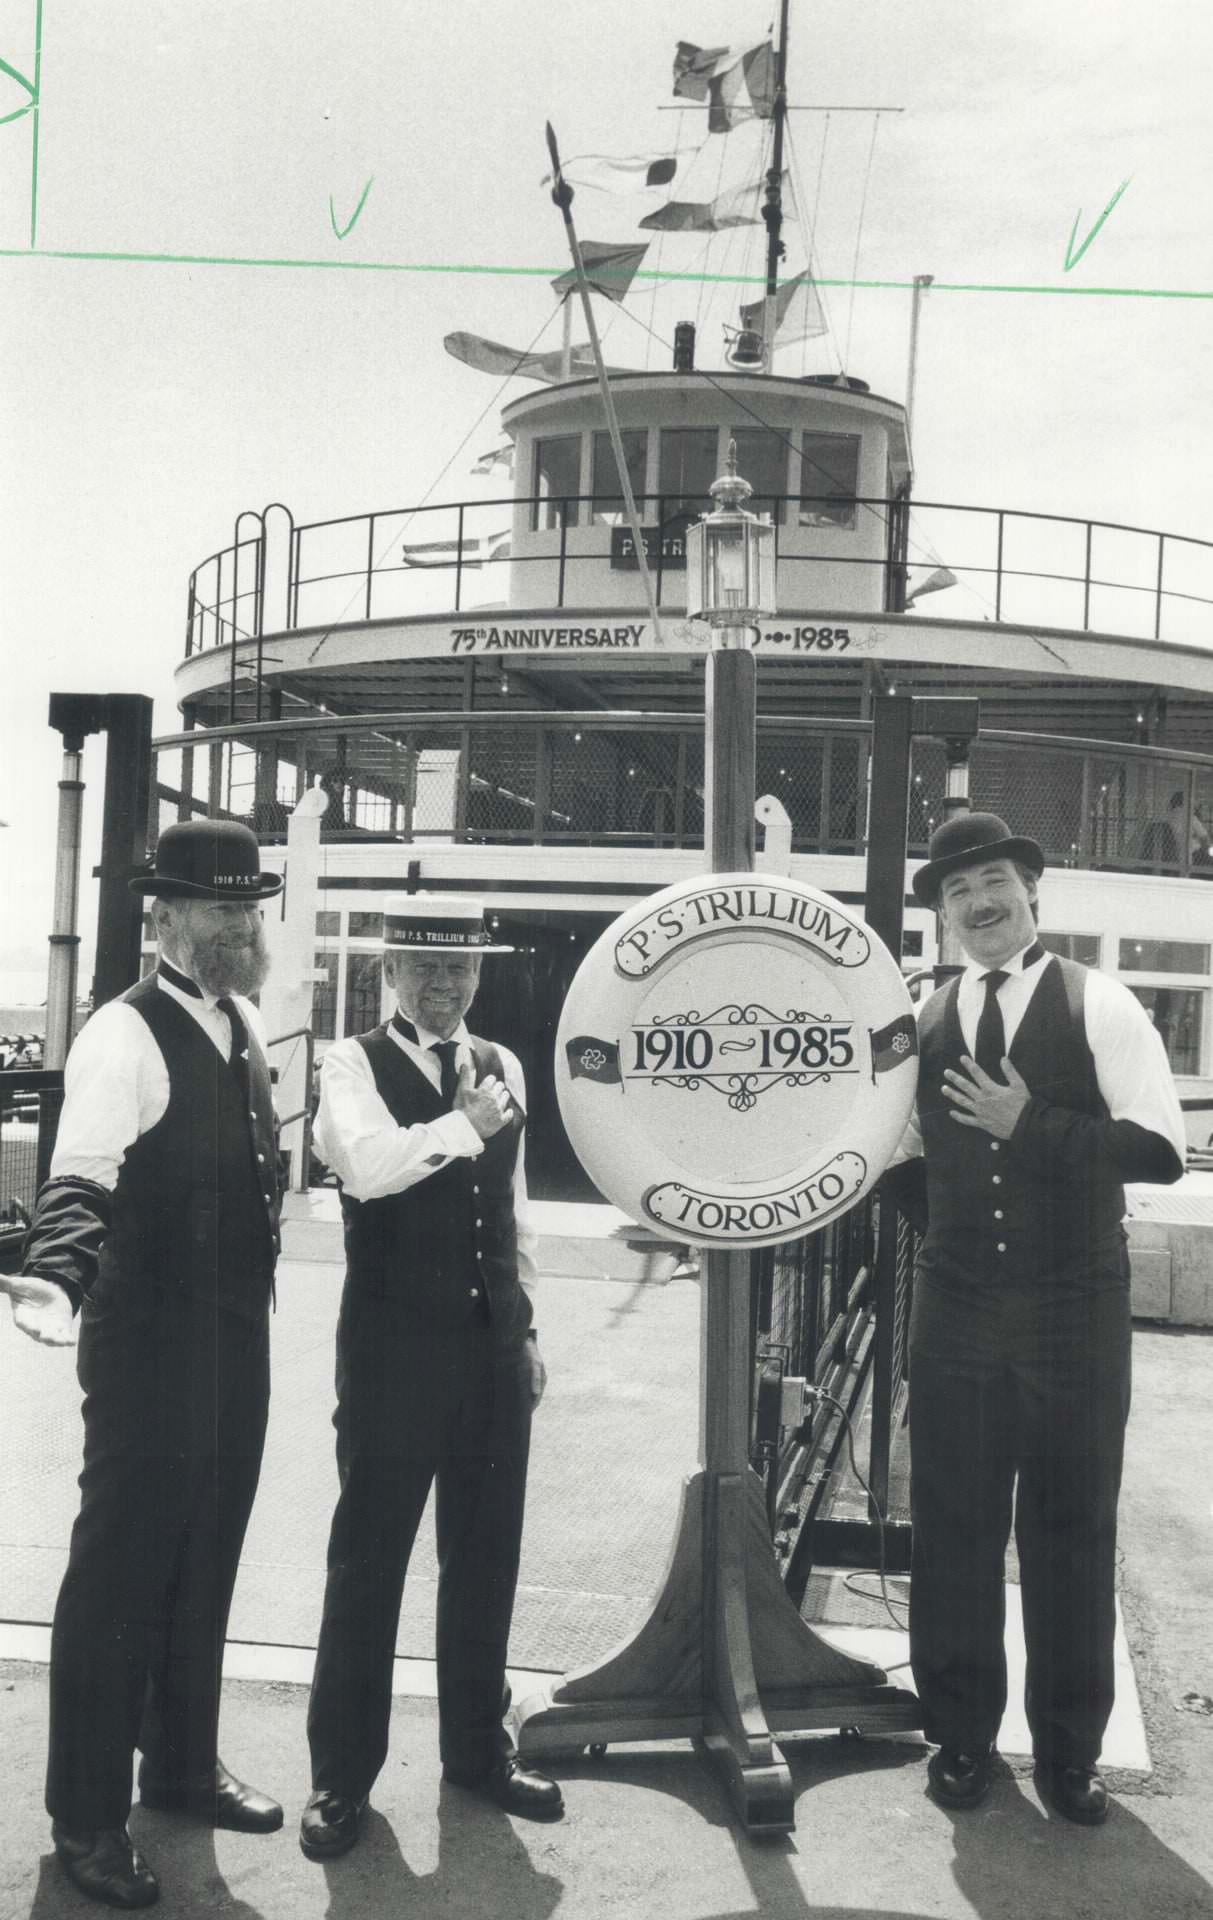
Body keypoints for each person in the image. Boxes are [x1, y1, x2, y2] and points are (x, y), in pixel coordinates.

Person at [2, 820, 286, 1909]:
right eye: (220, 909)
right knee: (120, 1581)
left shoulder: (243, 1022)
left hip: (234, 1347)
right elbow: (81, 1179)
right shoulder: (121, 1037)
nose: (238, 926)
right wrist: (58, 1277)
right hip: (152, 1352)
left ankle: (177, 1764)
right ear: (159, 917)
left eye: (247, 909)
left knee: (205, 1562)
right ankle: (85, 1818)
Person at [886, 812, 1185, 1826]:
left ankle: (1068, 1756)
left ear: (1031, 892)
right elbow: (897, 1161)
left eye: (996, 883)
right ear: (941, 912)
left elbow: (1159, 1151)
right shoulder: (920, 1019)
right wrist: (954, 1238)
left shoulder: (1098, 1000)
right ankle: (961, 1740)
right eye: (958, 890)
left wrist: (1033, 1126)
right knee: (954, 1532)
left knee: (1069, 1533)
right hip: (958, 1309)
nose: (979, 904)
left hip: (1073, 1315)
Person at [299, 893, 562, 1861]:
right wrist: (461, 1123)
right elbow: (365, 1167)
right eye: (423, 967)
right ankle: (339, 1781)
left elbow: (515, 1209)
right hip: (391, 1355)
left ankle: (475, 1753)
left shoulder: (503, 1065)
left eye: (460, 969)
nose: (444, 985)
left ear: (480, 977)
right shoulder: (348, 1062)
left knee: (485, 1557)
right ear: (388, 976)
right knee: (367, 1565)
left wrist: (525, 1330)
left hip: (490, 1349)